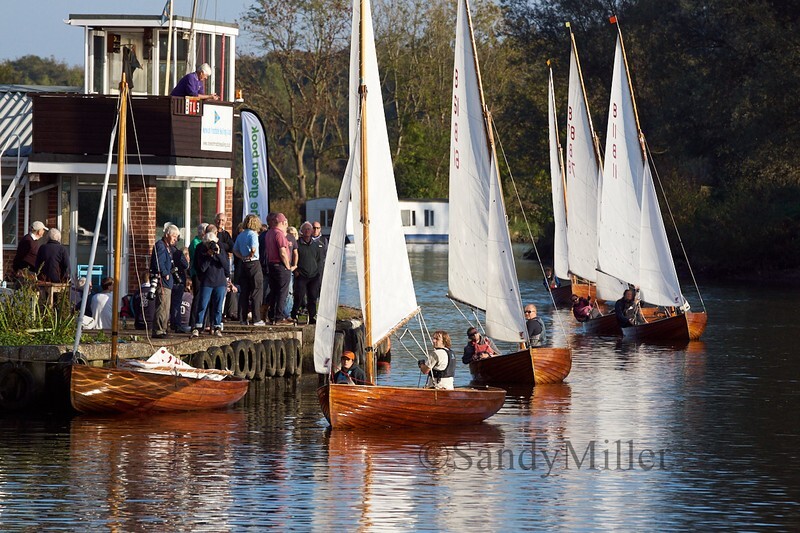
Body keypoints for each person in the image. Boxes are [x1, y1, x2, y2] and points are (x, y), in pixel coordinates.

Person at [193, 231, 230, 337]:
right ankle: (198, 326)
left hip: (220, 282)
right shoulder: (200, 249)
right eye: (209, 243)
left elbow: (226, 265)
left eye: (212, 242)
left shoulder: (221, 247)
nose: (211, 245)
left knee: (218, 307)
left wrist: (217, 254)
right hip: (207, 282)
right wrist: (208, 256)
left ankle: (217, 326)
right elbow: (201, 268)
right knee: (202, 305)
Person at [261, 212, 295, 325]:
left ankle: (272, 315)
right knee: (282, 292)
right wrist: (287, 266)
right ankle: (279, 317)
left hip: (271, 265)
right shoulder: (279, 234)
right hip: (280, 265)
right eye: (285, 222)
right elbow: (282, 252)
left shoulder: (269, 233)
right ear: (282, 222)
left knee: (274, 291)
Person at [149, 223, 180, 339]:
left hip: (168, 282)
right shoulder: (161, 246)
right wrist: (165, 273)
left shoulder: (168, 247)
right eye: (174, 236)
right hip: (163, 281)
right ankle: (159, 330)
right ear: (167, 235)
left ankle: (164, 328)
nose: (175, 239)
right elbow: (159, 262)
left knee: (166, 306)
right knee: (162, 305)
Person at [233, 214, 265, 326]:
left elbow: (235, 250)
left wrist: (242, 257)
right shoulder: (253, 234)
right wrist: (251, 255)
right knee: (257, 290)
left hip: (243, 264)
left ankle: (242, 318)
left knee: (244, 292)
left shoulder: (241, 235)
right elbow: (253, 248)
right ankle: (256, 319)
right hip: (254, 263)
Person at [292, 222, 324, 323]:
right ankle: (294, 314)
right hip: (301, 275)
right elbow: (292, 258)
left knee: (313, 297)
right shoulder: (297, 244)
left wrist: (318, 272)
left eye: (309, 229)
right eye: (305, 229)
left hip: (314, 275)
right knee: (299, 296)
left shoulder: (317, 245)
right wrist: (296, 271)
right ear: (301, 231)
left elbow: (319, 259)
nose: (307, 231)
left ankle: (312, 317)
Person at [170, 247, 191, 333]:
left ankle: (172, 322)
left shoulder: (167, 251)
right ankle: (176, 324)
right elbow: (186, 265)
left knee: (170, 303)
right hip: (179, 281)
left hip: (169, 281)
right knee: (177, 303)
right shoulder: (178, 253)